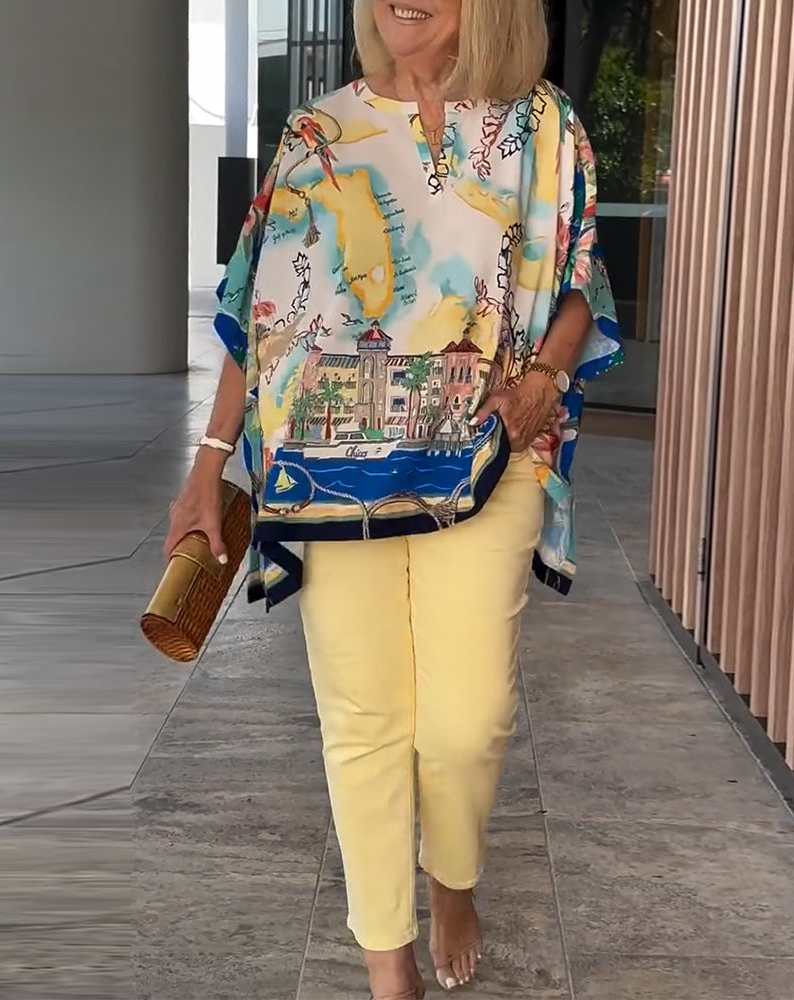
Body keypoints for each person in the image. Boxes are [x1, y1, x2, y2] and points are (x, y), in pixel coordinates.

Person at [165, 1, 621, 996]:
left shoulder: (543, 125)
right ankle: (388, 963)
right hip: (330, 471)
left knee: (467, 720)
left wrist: (542, 381)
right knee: (363, 716)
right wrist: (209, 462)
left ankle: (450, 877)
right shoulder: (316, 132)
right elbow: (254, 312)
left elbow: (581, 282)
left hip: (487, 455)